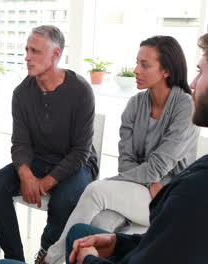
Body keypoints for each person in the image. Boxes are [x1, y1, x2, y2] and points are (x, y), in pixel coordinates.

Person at [43, 35, 199, 264]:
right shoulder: (135, 105)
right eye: (137, 62)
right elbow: (125, 159)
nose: (136, 70)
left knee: (96, 190)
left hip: (166, 198)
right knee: (98, 225)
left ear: (166, 70)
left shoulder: (186, 106)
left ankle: (51, 258)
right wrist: (144, 181)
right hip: (140, 190)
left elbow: (159, 167)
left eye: (145, 65)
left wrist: (123, 181)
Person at [0, 25, 98, 263]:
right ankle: (14, 258)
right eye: (27, 50)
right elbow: (20, 143)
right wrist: (26, 175)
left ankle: (46, 254)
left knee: (64, 199)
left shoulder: (80, 91)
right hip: (39, 159)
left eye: (35, 51)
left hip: (77, 164)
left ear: (55, 55)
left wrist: (44, 182)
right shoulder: (21, 93)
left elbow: (81, 151)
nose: (27, 57)